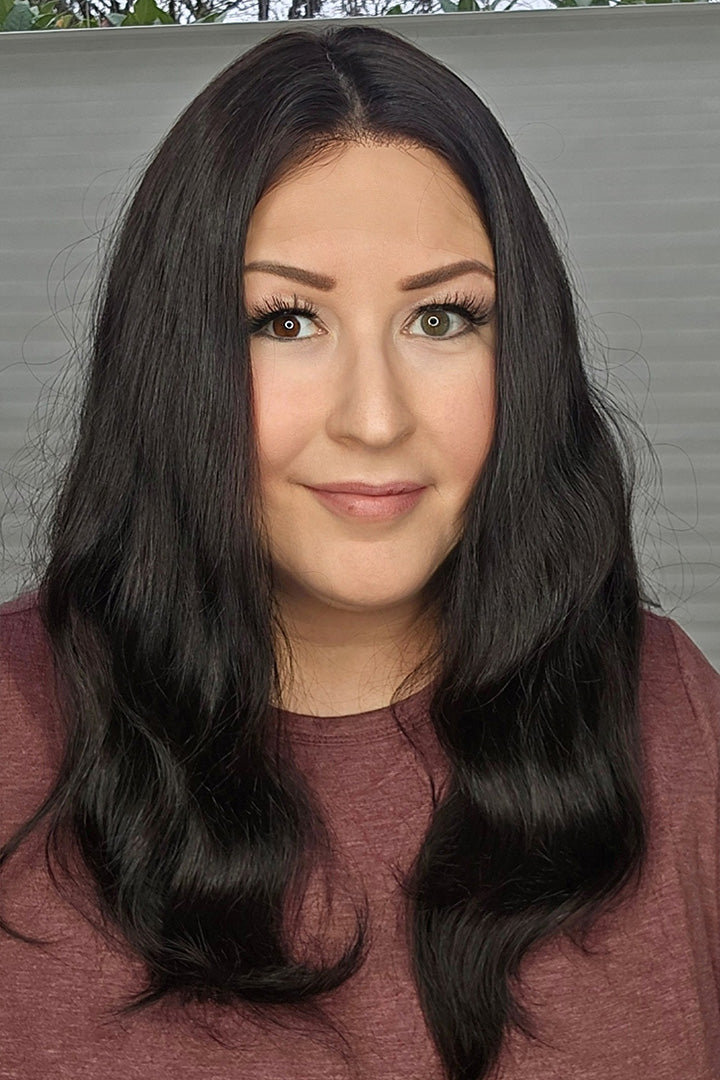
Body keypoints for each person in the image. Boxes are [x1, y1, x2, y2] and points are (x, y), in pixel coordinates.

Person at [0, 22, 718, 1080]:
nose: (376, 420)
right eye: (286, 320)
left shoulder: (672, 713)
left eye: (442, 317)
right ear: (175, 360)